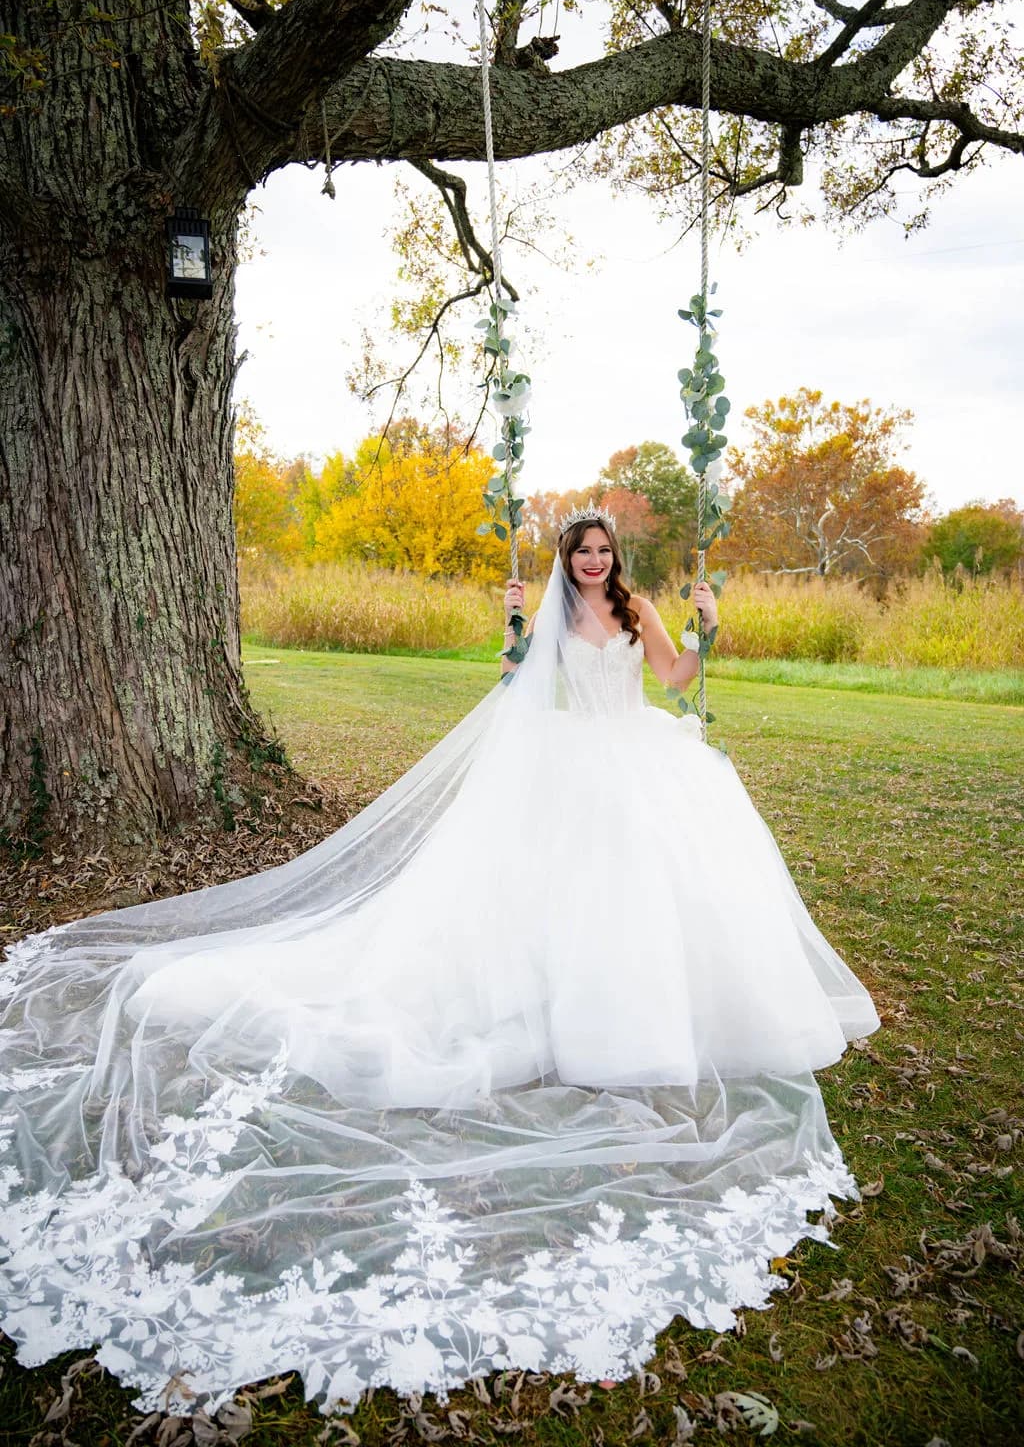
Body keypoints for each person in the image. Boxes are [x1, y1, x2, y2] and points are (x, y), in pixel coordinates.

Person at [0, 504, 879, 1419]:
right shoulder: (548, 618)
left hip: (637, 767)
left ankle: (657, 1014)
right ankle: (574, 1011)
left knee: (651, 898)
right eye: (580, 551)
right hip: (573, 778)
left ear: (615, 558)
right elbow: (516, 689)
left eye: (602, 550)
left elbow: (674, 677)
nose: (591, 561)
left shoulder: (638, 608)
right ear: (563, 560)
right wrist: (509, 636)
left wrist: (706, 625)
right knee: (570, 904)